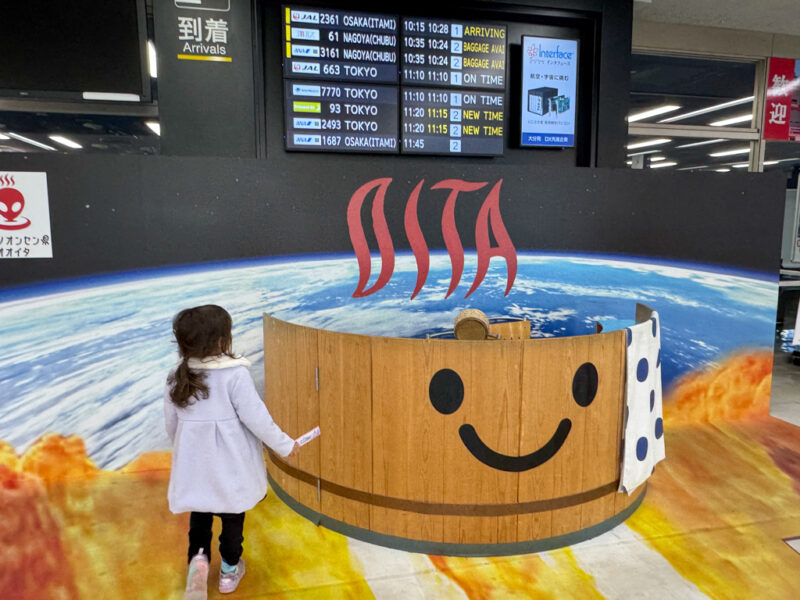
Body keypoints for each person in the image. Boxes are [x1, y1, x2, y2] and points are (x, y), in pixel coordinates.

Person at [164, 305, 299, 599]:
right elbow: (257, 419)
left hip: (196, 466)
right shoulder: (234, 375)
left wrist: (185, 453)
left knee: (199, 516)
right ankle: (228, 572)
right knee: (232, 518)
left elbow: (172, 425)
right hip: (231, 467)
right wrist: (286, 445)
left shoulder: (176, 375)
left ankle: (197, 567)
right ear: (222, 341)